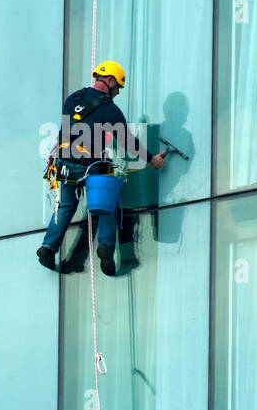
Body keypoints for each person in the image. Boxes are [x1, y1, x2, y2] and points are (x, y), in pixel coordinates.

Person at [37, 60, 165, 276]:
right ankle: (105, 246)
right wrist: (152, 159)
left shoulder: (73, 98)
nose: (116, 94)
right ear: (110, 80)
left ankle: (48, 247)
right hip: (89, 165)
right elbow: (128, 143)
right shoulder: (109, 110)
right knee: (107, 203)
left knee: (67, 205)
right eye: (117, 89)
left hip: (65, 162)